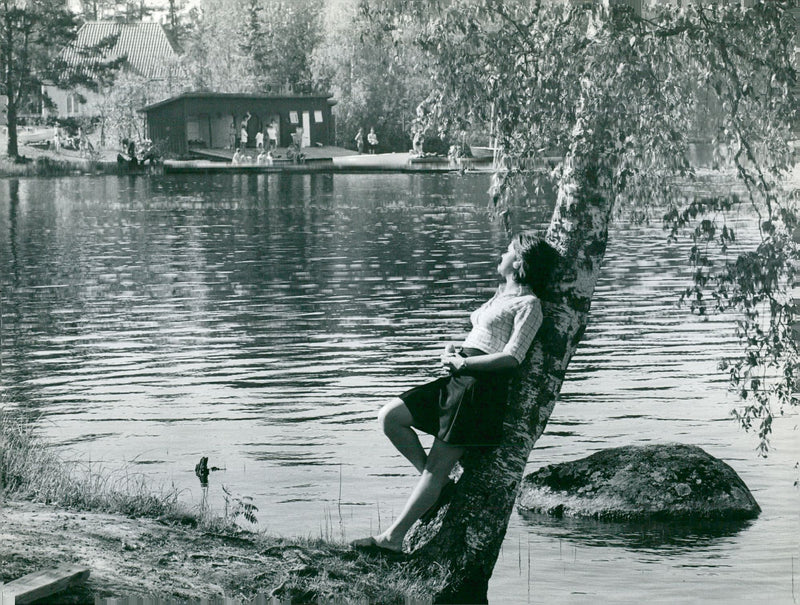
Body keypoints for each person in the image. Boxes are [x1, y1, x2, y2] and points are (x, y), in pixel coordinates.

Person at [350, 232, 559, 556]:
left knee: (435, 468)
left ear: (518, 262)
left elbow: (512, 358)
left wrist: (464, 363)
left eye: (507, 251)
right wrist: (455, 352)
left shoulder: (529, 305)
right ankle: (440, 488)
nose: (501, 255)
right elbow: (482, 334)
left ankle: (392, 538)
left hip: (477, 390)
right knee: (390, 417)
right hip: (458, 379)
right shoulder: (501, 295)